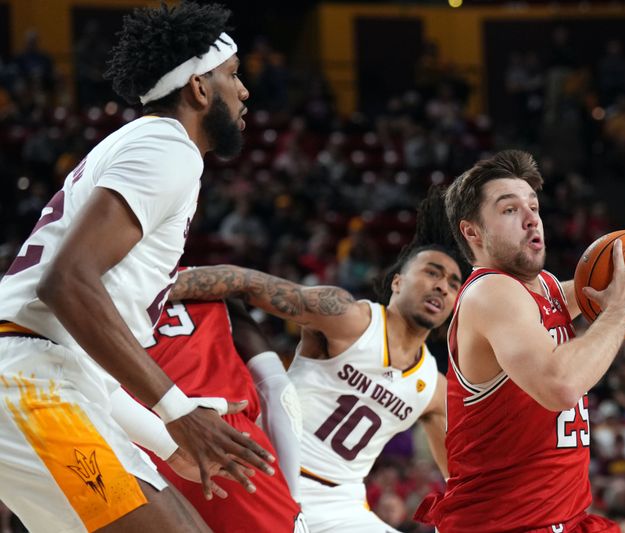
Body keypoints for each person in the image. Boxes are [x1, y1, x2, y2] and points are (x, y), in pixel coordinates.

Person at [0, 3, 272, 531]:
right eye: (233, 75)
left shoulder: (145, 146)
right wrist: (178, 411)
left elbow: (75, 356)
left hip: (46, 378)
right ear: (198, 88)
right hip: (29, 382)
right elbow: (66, 283)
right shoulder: (167, 147)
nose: (244, 92)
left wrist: (165, 440)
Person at [168, 189, 466, 532]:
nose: (442, 286)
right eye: (432, 272)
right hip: (274, 476)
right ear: (397, 282)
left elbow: (460, 485)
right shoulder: (349, 318)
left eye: (453, 284)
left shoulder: (434, 387)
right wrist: (156, 288)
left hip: (344, 507)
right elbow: (245, 282)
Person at [415, 150, 625, 532]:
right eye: (509, 210)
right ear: (472, 232)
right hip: (503, 526)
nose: (531, 218)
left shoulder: (545, 288)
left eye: (533, 206)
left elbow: (585, 294)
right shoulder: (492, 293)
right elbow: (561, 386)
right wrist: (620, 310)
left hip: (559, 519)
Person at [144, 296, 307, 532]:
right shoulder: (213, 284)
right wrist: (293, 494)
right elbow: (277, 389)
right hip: (222, 435)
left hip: (133, 437)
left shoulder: (88, 285)